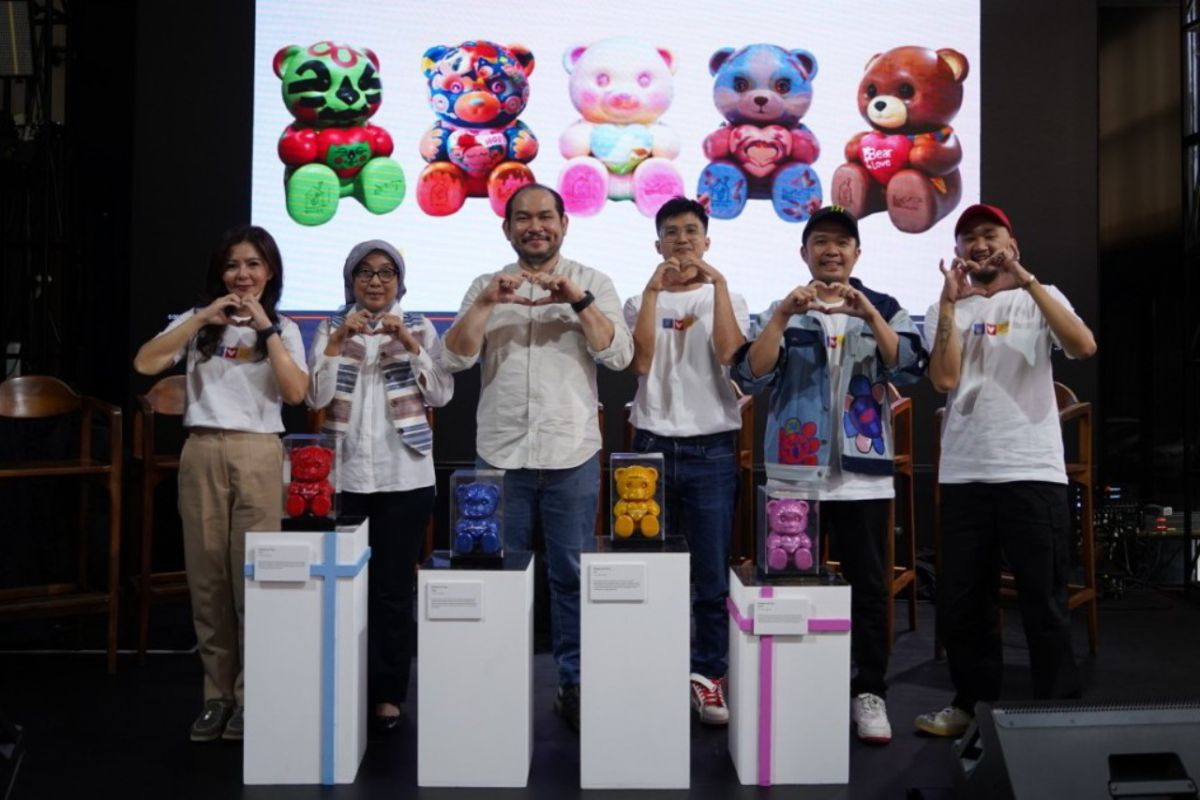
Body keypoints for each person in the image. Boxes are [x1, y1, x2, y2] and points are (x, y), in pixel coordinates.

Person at [441, 183, 633, 732]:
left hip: (571, 451)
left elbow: (618, 355)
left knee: (571, 576)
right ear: (507, 229)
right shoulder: (486, 284)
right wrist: (486, 304)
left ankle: (574, 683)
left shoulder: (593, 281)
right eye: (522, 218)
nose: (535, 227)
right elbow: (453, 359)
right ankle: (498, 682)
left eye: (545, 216)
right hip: (501, 454)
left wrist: (576, 299)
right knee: (499, 575)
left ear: (564, 223)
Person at [731, 206, 927, 744]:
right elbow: (751, 372)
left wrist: (871, 317)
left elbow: (910, 365)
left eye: (842, 242)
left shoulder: (885, 307)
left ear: (857, 253)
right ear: (805, 252)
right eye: (820, 241)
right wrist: (779, 317)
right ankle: (796, 686)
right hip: (795, 475)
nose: (831, 251)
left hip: (864, 478)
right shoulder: (786, 309)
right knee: (789, 585)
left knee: (869, 588)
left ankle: (869, 692)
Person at [916, 204, 1095, 737]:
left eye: (989, 234)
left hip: (1032, 468)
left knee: (1044, 599)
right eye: (968, 237)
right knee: (966, 602)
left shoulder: (1041, 295)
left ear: (1010, 244)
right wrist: (950, 304)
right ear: (957, 251)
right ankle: (970, 706)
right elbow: (944, 380)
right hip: (966, 470)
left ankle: (1056, 712)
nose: (979, 244)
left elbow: (1083, 346)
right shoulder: (944, 306)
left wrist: (1027, 280)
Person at [133, 225, 308, 742]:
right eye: (233, 265)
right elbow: (145, 362)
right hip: (203, 450)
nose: (242, 275)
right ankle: (217, 695)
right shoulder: (197, 322)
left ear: (269, 271)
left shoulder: (284, 328)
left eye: (253, 264)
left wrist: (266, 329)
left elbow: (296, 394)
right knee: (208, 581)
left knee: (252, 578)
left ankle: (253, 697)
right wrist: (202, 318)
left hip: (258, 452)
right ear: (220, 273)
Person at [306, 240, 453, 733]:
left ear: (399, 282)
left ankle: (388, 694)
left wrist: (409, 345)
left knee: (392, 591)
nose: (375, 281)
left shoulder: (419, 327)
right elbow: (315, 397)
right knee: (344, 587)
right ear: (351, 281)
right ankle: (343, 682)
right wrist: (335, 344)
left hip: (404, 475)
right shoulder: (330, 327)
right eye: (365, 272)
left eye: (386, 272)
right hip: (344, 476)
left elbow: (441, 394)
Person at [623, 196, 748, 725]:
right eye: (672, 232)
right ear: (658, 244)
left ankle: (708, 676)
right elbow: (640, 363)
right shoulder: (639, 299)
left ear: (706, 240)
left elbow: (730, 354)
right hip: (651, 446)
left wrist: (718, 285)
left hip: (712, 447)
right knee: (655, 568)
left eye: (691, 231)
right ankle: (656, 668)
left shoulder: (729, 296)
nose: (682, 240)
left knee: (711, 574)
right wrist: (654, 292)